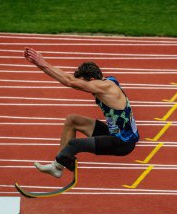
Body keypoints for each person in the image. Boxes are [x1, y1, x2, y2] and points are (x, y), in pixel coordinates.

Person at [23, 47, 140, 178]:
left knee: (75, 144)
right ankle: (57, 166)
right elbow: (69, 78)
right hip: (114, 132)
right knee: (72, 120)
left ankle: (62, 161)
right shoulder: (107, 80)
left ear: (91, 81)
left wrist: (42, 63)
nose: (82, 87)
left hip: (123, 143)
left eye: (83, 83)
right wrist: (40, 65)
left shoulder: (104, 87)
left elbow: (70, 82)